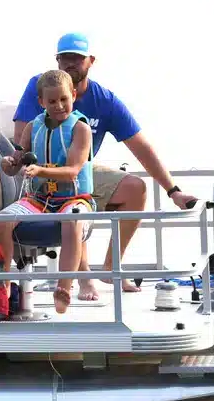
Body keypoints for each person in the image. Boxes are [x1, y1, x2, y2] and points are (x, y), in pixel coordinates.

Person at [12, 33, 198, 295]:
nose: (70, 64)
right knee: (75, 199)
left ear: (91, 61)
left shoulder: (104, 100)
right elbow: (21, 140)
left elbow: (141, 147)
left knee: (135, 188)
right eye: (64, 58)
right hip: (43, 174)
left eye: (76, 58)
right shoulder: (41, 86)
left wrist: (173, 191)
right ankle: (85, 277)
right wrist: (33, 167)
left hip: (80, 169)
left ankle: (112, 268)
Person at [0, 70, 94, 314]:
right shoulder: (32, 127)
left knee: (72, 220)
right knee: (2, 222)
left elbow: (72, 171)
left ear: (73, 95)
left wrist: (39, 171)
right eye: (51, 101)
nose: (59, 106)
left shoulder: (81, 128)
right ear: (41, 102)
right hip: (38, 199)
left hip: (75, 198)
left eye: (63, 99)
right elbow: (16, 162)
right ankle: (4, 281)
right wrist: (9, 163)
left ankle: (64, 287)